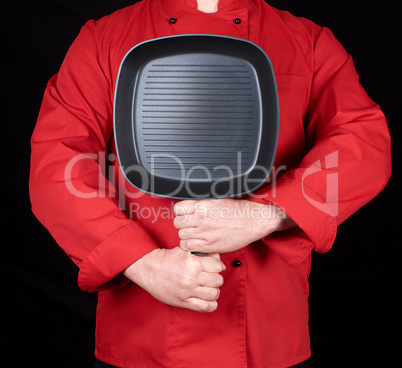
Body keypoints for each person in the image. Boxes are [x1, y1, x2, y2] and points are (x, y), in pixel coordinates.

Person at [29, 0, 391, 367]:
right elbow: (56, 163)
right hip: (142, 343)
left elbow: (364, 142)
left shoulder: (307, 42)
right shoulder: (103, 40)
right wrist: (143, 263)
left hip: (269, 342)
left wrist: (266, 215)